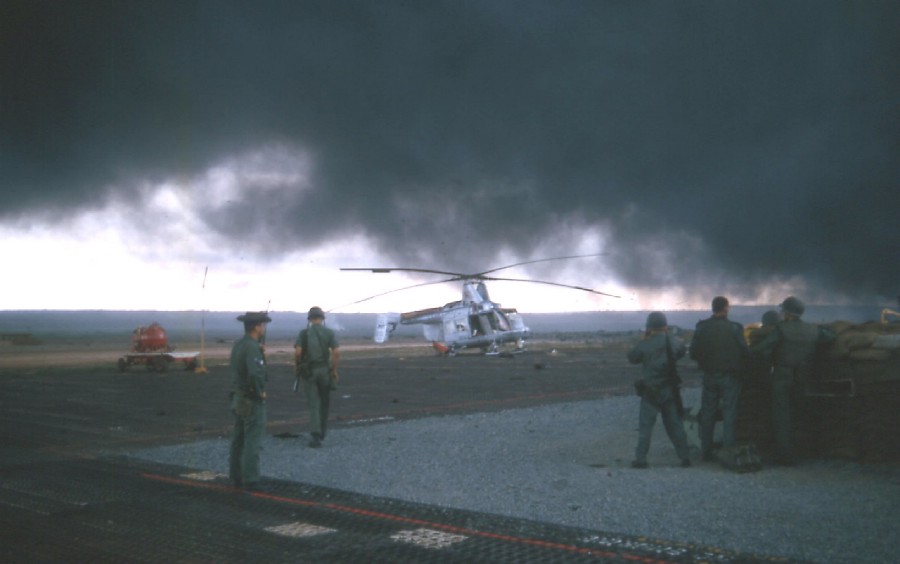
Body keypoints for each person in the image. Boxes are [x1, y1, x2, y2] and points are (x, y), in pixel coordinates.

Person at [751, 296, 836, 465]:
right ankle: (805, 452)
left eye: (783, 310)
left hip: (783, 377)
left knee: (782, 417)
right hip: (804, 377)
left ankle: (785, 456)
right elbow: (831, 337)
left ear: (787, 313)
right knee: (802, 414)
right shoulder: (813, 329)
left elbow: (761, 350)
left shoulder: (781, 330)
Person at [689, 296, 751, 462]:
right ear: (725, 308)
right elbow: (745, 352)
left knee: (708, 413)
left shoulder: (702, 327)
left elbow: (693, 352)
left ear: (712, 308)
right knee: (729, 413)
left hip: (709, 375)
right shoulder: (735, 328)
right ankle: (729, 452)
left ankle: (706, 452)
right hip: (730, 377)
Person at [627, 311, 691, 468]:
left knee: (645, 427)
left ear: (649, 326)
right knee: (675, 425)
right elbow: (682, 351)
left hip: (651, 391)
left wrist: (643, 339)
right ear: (665, 325)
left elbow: (632, 357)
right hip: (669, 390)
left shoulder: (646, 343)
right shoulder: (672, 341)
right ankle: (684, 457)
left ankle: (641, 459)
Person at [229, 311, 271, 490]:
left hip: (238, 397)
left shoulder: (239, 345)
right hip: (251, 399)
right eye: (262, 325)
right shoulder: (252, 347)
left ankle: (236, 476)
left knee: (238, 439)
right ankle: (251, 479)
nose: (263, 328)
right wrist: (260, 392)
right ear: (256, 326)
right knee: (252, 440)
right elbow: (254, 373)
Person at [295, 306, 341, 448]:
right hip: (324, 371)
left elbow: (297, 352)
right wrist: (334, 370)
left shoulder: (304, 333)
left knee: (314, 403)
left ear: (309, 319)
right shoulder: (329, 333)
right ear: (322, 319)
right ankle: (322, 433)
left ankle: (315, 435)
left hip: (309, 372)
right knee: (324, 403)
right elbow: (337, 352)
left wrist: (298, 366)